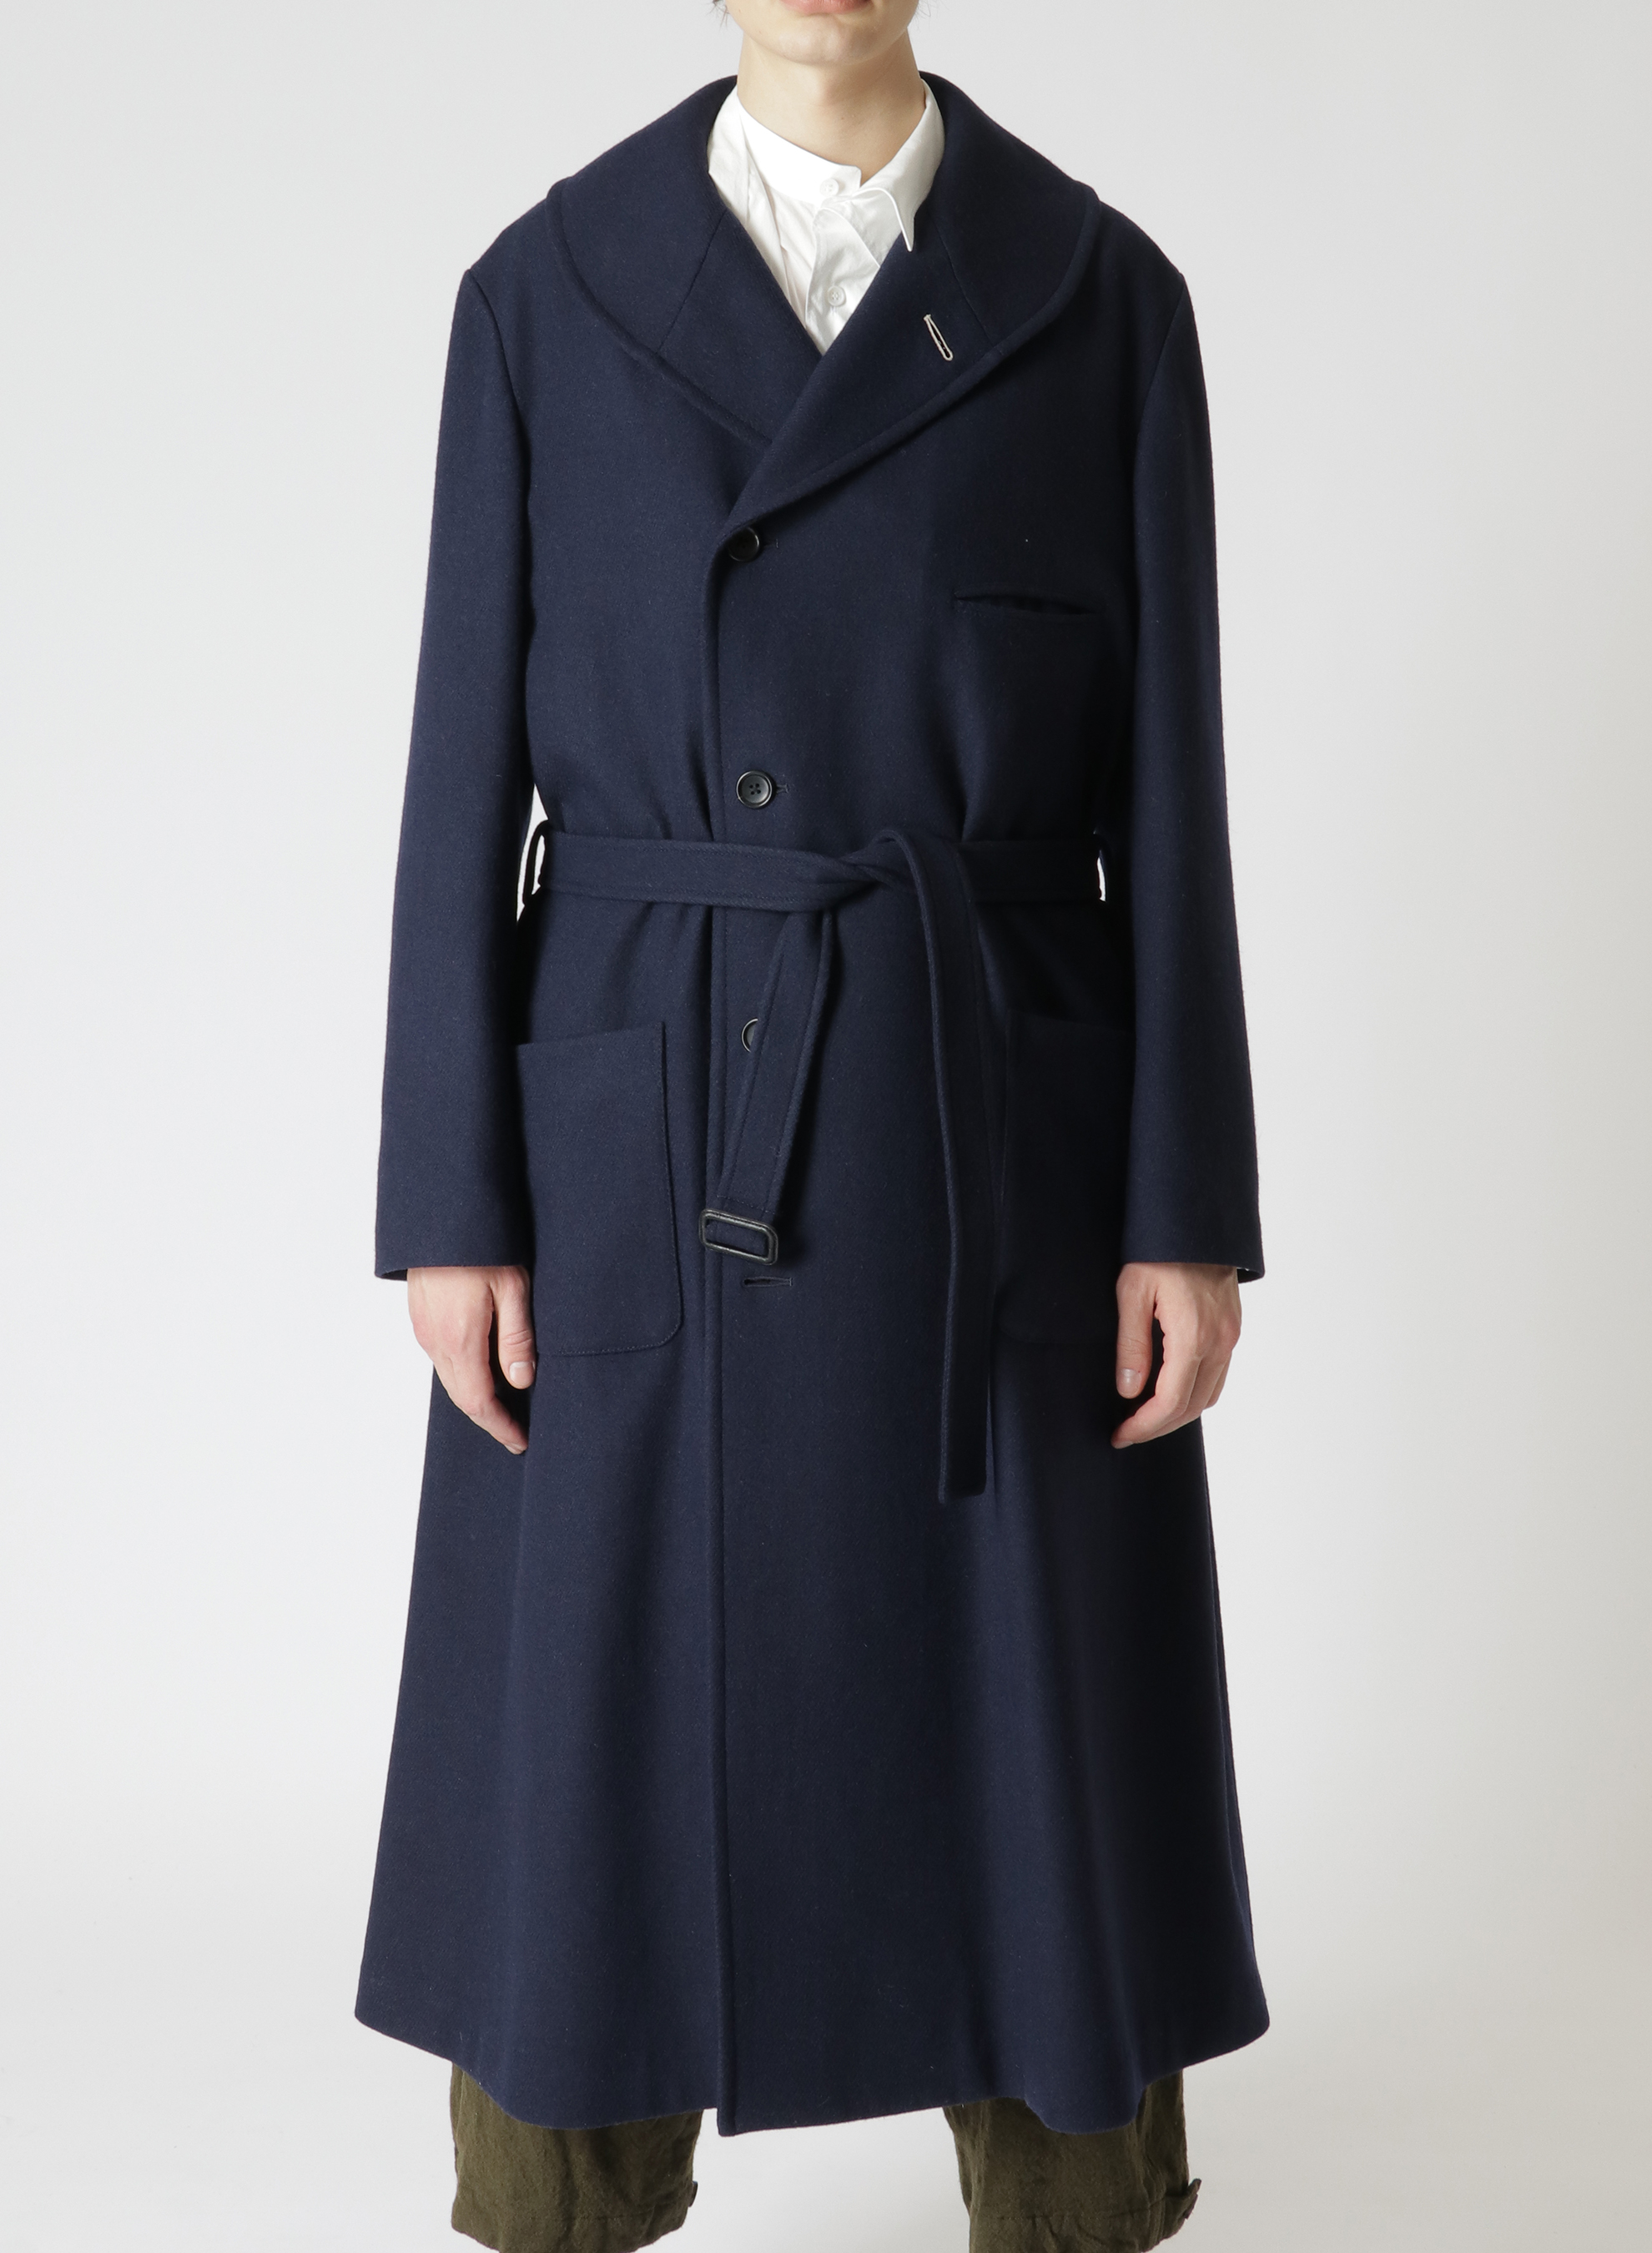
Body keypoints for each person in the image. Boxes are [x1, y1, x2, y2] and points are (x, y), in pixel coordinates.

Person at [358, 1, 1267, 2245]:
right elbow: (461, 771)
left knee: (1025, 1684)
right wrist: (449, 1197)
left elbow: (1172, 788)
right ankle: (568, 2187)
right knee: (604, 1691)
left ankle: (1067, 2192)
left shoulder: (1099, 294)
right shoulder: (545, 291)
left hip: (993, 1108)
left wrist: (1185, 1198)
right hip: (643, 1108)